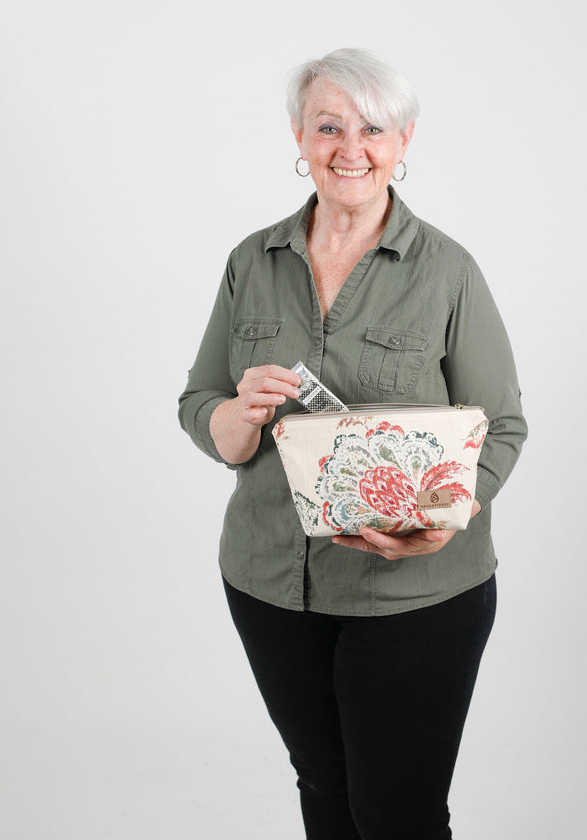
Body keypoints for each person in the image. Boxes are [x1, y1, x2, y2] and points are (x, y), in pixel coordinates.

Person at [178, 48, 527, 840]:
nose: (350, 148)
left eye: (373, 128)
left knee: (396, 815)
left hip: (413, 598)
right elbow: (200, 400)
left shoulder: (449, 272)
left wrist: (453, 512)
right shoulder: (250, 262)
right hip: (270, 587)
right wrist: (232, 421)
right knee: (325, 792)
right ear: (299, 138)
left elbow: (502, 426)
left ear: (404, 142)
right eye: (328, 126)